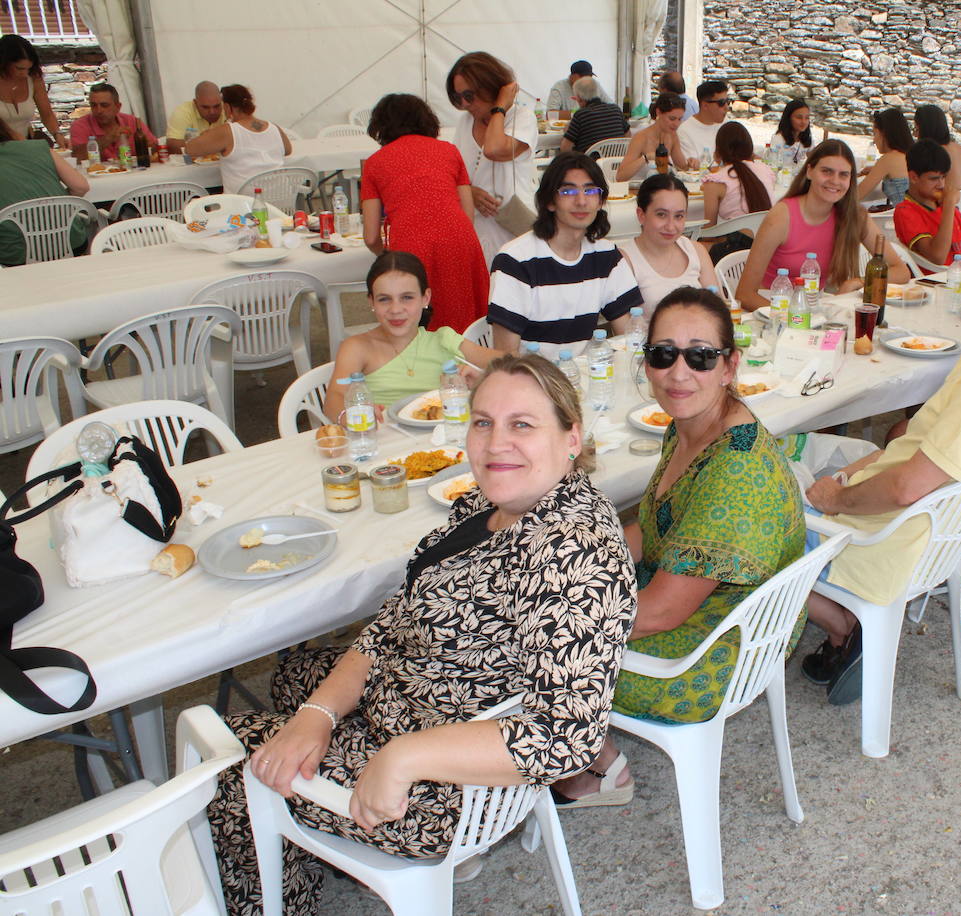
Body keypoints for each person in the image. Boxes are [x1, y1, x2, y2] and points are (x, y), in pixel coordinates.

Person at [209, 352, 638, 915]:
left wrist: (401, 759)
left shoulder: (572, 554)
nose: (494, 442)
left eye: (522, 425)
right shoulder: (494, 501)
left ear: (571, 438)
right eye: (483, 421)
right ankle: (303, 837)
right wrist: (316, 717)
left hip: (445, 788)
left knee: (221, 770)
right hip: (424, 689)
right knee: (296, 678)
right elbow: (400, 615)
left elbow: (567, 736)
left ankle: (279, 891)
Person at [550, 287, 803, 806]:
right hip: (710, 609)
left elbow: (662, 612)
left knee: (519, 640)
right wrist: (578, 560)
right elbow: (652, 526)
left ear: (729, 365)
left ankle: (591, 768)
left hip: (709, 651)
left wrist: (553, 613)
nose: (678, 372)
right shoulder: (692, 424)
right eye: (663, 354)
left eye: (700, 356)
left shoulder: (735, 468)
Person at [798, 213, 961, 702]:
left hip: (888, 541)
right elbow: (919, 449)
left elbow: (904, 487)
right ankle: (852, 620)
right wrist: (870, 462)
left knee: (741, 516)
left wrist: (836, 499)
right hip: (934, 531)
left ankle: (843, 627)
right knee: (826, 455)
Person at [359, 92, 489, 334]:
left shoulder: (375, 164)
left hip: (411, 245)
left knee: (419, 323)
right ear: (426, 120)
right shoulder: (448, 151)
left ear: (380, 126)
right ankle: (470, 365)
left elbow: (370, 237)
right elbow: (467, 213)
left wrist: (387, 257)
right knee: (465, 321)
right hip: (459, 238)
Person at [488, 152, 641, 356]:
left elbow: (630, 336)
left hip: (582, 377)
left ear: (601, 201)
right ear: (550, 202)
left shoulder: (606, 256)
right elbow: (505, 355)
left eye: (590, 191)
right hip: (530, 378)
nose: (581, 201)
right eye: (568, 192)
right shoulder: (515, 260)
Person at [737, 139, 911, 313]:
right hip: (771, 310)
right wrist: (795, 317)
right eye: (827, 172)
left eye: (843, 174)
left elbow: (901, 271)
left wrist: (858, 282)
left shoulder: (854, 216)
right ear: (809, 171)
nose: (835, 181)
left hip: (815, 311)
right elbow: (744, 295)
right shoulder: (782, 216)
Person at [320, 252, 498, 420]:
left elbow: (510, 364)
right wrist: (351, 415)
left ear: (425, 298)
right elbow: (334, 399)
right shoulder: (357, 347)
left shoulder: (444, 340)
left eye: (407, 297)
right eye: (384, 299)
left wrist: (482, 381)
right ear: (371, 301)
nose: (396, 309)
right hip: (385, 443)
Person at [446, 52, 538, 264]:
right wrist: (468, 192)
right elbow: (452, 173)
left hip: (513, 226)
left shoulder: (521, 117)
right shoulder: (464, 122)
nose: (464, 104)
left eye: (469, 95)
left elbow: (495, 150)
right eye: (457, 98)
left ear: (489, 87)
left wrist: (500, 108)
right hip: (476, 229)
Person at [618, 173, 718, 313]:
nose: (671, 226)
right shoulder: (625, 261)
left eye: (679, 216)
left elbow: (718, 308)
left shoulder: (696, 251)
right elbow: (625, 328)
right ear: (641, 215)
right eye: (661, 214)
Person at [0, 126, 90, 265]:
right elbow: (81, 187)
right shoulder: (39, 147)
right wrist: (51, 204)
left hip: (15, 253)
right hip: (70, 241)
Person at [894, 139, 961, 273]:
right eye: (934, 179)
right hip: (940, 279)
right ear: (913, 177)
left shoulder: (941, 203)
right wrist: (949, 205)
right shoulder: (905, 211)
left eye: (943, 177)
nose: (941, 184)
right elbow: (938, 257)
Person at [184, 84, 291, 195]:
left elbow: (190, 149)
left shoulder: (228, 131)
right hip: (282, 201)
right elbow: (288, 150)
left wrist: (209, 135)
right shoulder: (273, 127)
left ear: (226, 107)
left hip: (243, 206)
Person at [699, 120, 775, 262]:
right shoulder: (766, 170)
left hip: (737, 250)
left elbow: (708, 232)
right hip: (768, 243)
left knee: (692, 246)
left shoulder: (716, 181)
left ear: (718, 150)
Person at [68, 82, 155, 162]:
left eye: (104, 105)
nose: (99, 110)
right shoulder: (80, 126)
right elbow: (77, 157)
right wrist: (108, 138)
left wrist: (150, 146)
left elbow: (155, 148)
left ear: (118, 107)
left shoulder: (132, 121)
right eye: (94, 105)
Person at [0, 35, 62, 144]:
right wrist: (12, 136)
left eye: (28, 69)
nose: (24, 74)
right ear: (4, 63)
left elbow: (47, 114)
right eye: (19, 68)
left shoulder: (33, 79)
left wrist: (57, 134)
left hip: (24, 144)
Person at [614, 93, 689, 182]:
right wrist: (646, 157)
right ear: (658, 113)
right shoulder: (641, 138)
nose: (676, 124)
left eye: (680, 119)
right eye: (672, 119)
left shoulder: (672, 136)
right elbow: (620, 176)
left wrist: (691, 163)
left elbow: (682, 168)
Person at [855, 108, 914, 206]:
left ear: (884, 134)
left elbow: (857, 195)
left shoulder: (888, 159)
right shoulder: (911, 155)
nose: (874, 140)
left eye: (875, 133)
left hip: (908, 218)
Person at [559, 76, 628, 154]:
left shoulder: (581, 115)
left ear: (579, 98)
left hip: (590, 164)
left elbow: (565, 148)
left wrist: (567, 131)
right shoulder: (616, 110)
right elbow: (628, 136)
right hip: (616, 162)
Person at [913, 103, 961, 192]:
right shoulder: (958, 148)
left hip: (945, 203)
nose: (915, 134)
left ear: (925, 129)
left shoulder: (934, 152)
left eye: (916, 129)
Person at [676, 79, 730, 165]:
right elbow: (691, 170)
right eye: (721, 103)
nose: (726, 107)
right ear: (705, 105)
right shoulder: (685, 131)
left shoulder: (726, 123)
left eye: (728, 102)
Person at [165, 80, 226, 154]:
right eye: (205, 107)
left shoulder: (228, 108)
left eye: (216, 106)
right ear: (195, 103)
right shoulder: (183, 111)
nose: (212, 112)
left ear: (221, 100)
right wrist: (207, 143)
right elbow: (172, 145)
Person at [769, 98, 826, 165]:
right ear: (788, 118)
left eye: (807, 118)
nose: (803, 122)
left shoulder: (806, 140)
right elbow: (773, 164)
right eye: (799, 117)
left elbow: (814, 161)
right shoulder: (778, 139)